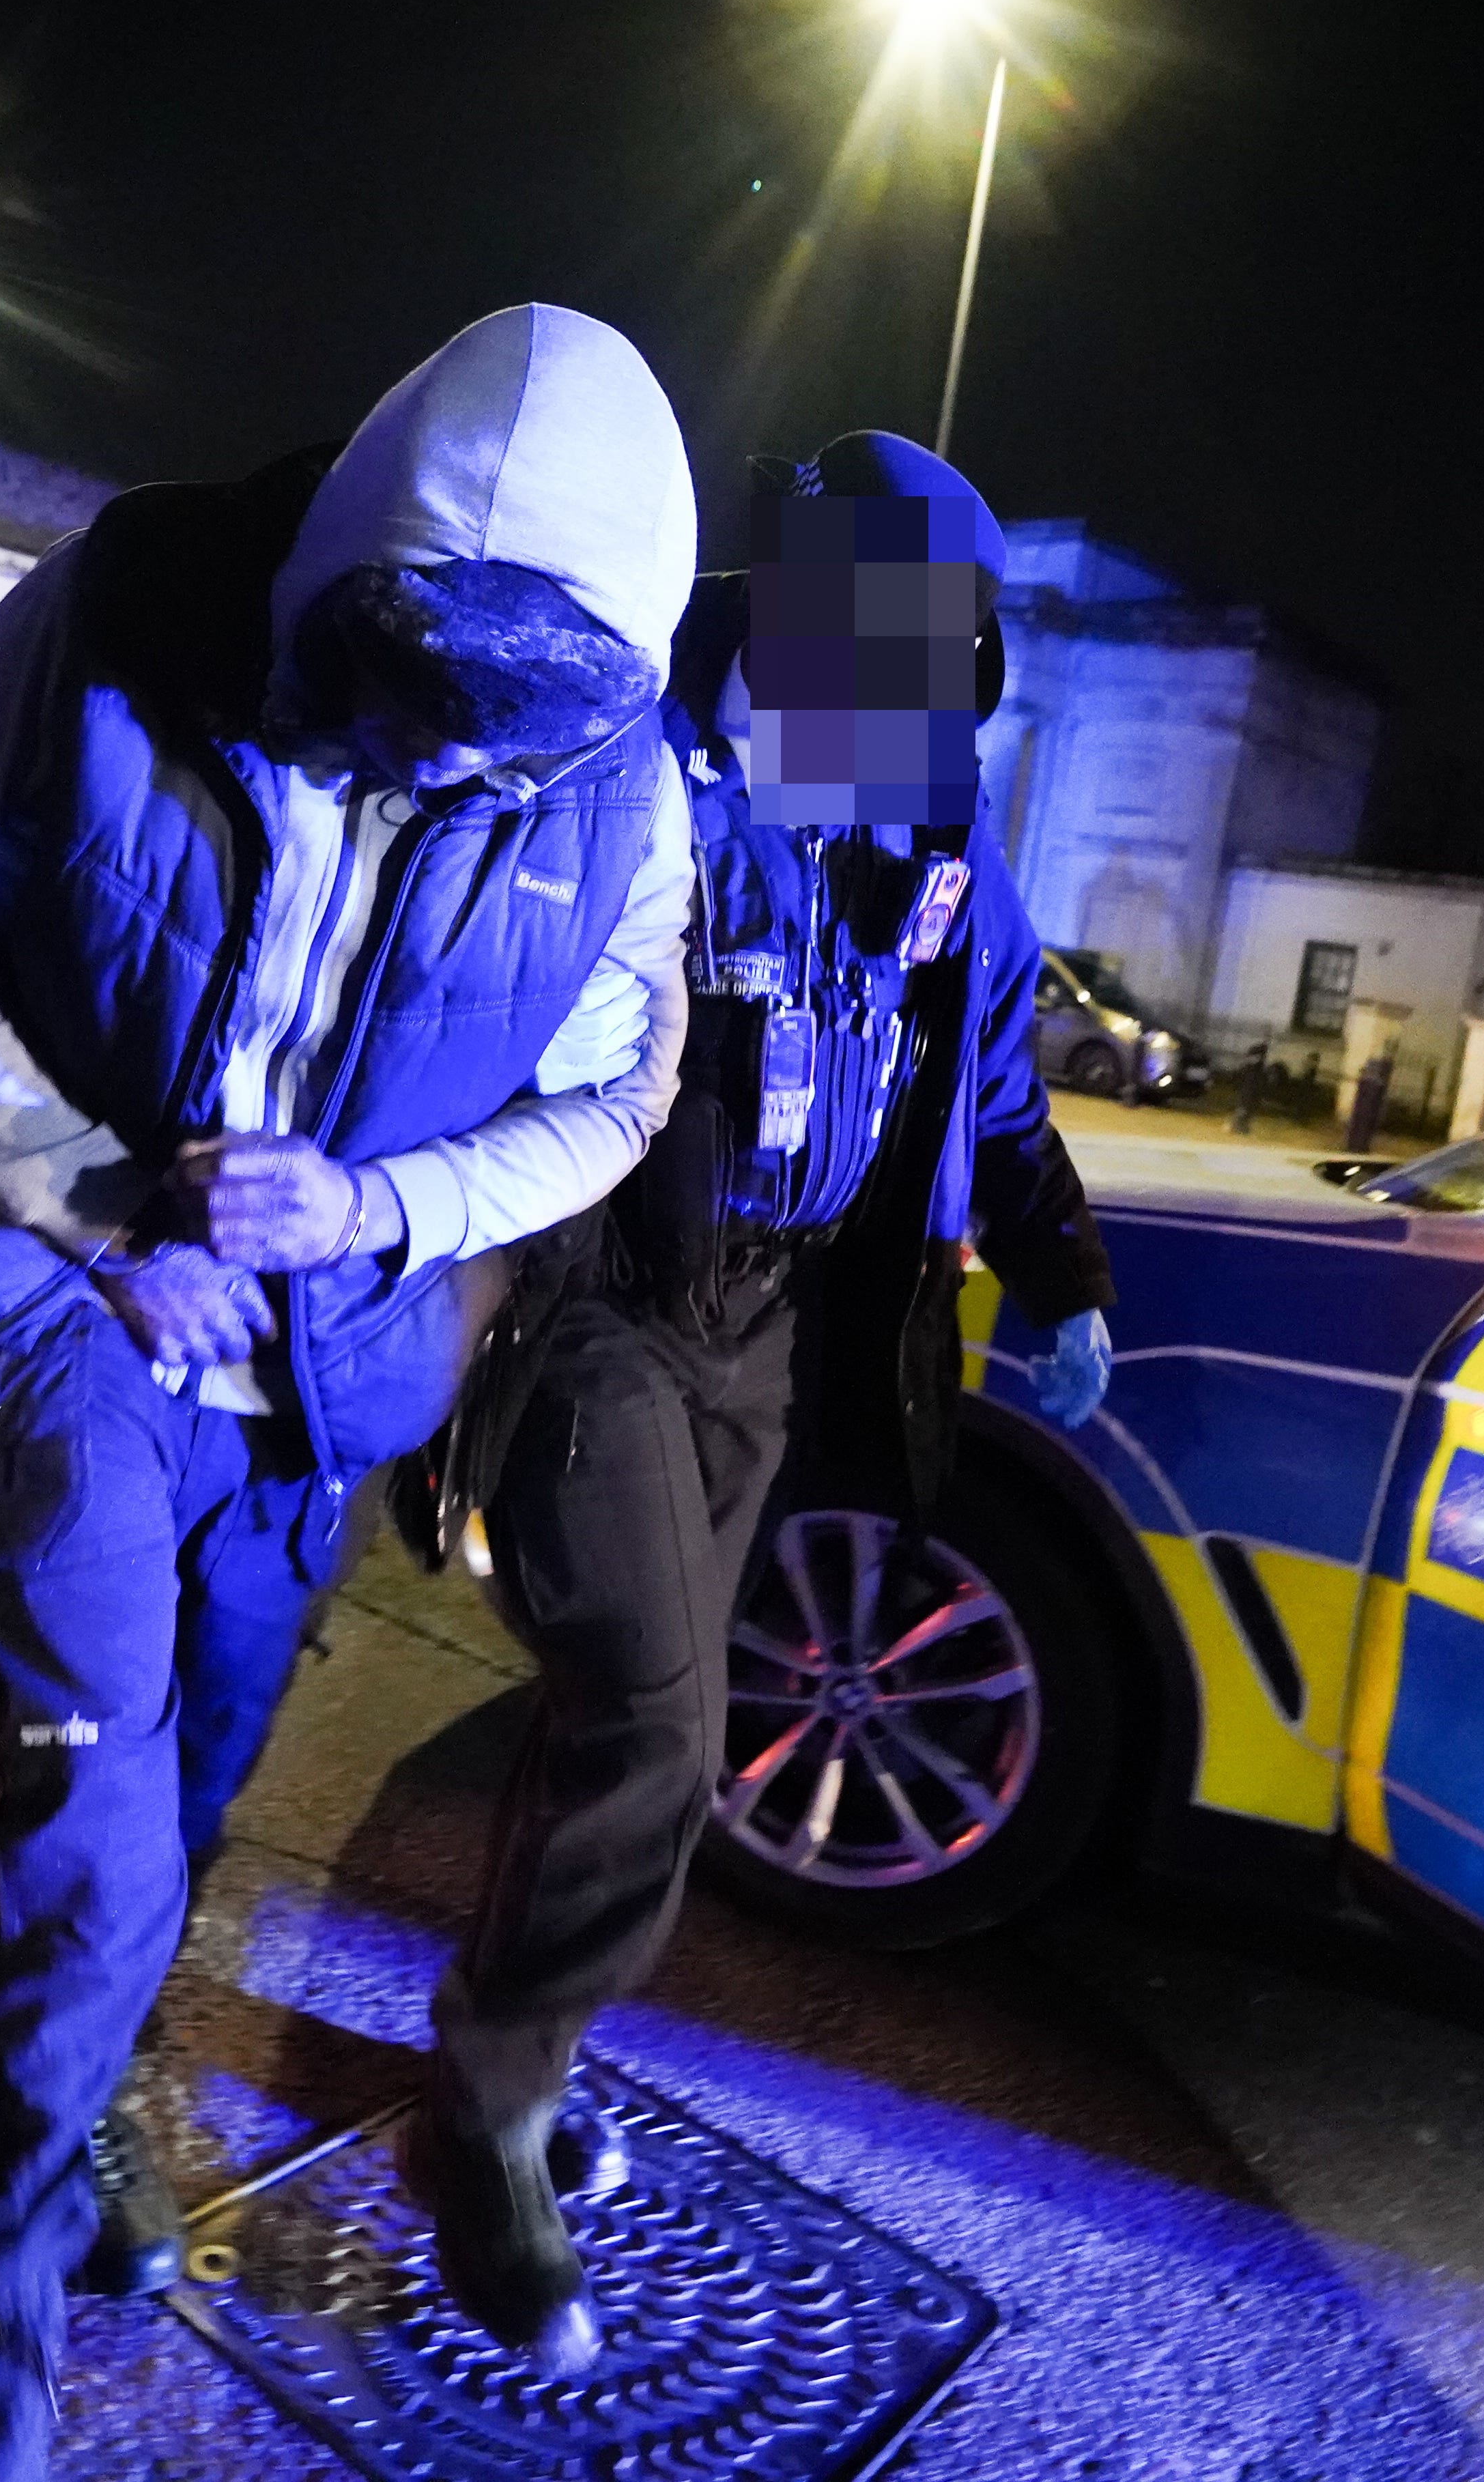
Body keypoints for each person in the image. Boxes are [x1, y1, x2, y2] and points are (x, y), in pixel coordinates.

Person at [0, 303, 699, 2479]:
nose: (447, 786)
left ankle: (57, 2108)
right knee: (90, 1828)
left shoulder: (633, 788)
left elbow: (623, 1085)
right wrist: (81, 1192)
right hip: (69, 1303)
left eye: (505, 772)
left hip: (324, 1380)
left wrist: (388, 1209)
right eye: (405, 731)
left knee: (180, 1805)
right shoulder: (124, 600)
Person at [403, 431, 1116, 2372]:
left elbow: (991, 1088)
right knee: (652, 1713)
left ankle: (509, 2048)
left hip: (773, 1333)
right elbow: (481, 993)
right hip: (600, 1307)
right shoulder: (660, 787)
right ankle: (493, 2113)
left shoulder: (938, 841)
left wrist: (1059, 1268)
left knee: (640, 1737)